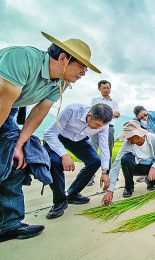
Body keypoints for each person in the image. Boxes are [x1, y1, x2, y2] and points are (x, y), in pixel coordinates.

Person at [0, 32, 100, 241]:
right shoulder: (22, 59)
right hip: (3, 102)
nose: (83, 73)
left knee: (18, 159)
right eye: (81, 67)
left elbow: (39, 112)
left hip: (8, 110)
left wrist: (19, 144)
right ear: (63, 58)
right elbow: (4, 99)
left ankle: (9, 224)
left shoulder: (60, 83)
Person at [43, 103, 112, 219]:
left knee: (94, 161)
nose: (99, 128)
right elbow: (50, 134)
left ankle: (72, 194)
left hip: (79, 139)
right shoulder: (72, 111)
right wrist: (64, 155)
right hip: (57, 137)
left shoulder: (103, 125)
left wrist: (105, 172)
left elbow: (104, 146)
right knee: (54, 162)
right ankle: (60, 201)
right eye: (97, 124)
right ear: (89, 116)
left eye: (102, 126)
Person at [102, 120, 155, 205]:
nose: (128, 139)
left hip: (150, 167)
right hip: (137, 167)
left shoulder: (153, 138)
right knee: (125, 159)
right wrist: (110, 190)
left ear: (138, 134)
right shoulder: (127, 144)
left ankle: (150, 182)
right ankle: (128, 188)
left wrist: (154, 167)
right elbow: (116, 164)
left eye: (130, 136)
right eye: (127, 137)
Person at [87, 80, 120, 186]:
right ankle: (89, 176)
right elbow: (94, 113)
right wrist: (111, 113)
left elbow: (117, 113)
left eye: (108, 88)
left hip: (109, 128)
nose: (106, 90)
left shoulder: (114, 101)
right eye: (104, 88)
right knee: (92, 151)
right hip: (95, 127)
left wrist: (104, 113)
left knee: (108, 152)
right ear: (99, 89)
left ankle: (107, 174)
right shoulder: (95, 100)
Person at [133, 105, 155, 183]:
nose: (144, 118)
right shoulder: (135, 121)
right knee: (147, 156)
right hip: (146, 139)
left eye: (145, 115)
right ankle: (146, 174)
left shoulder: (154, 115)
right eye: (141, 117)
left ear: (146, 111)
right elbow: (129, 126)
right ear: (137, 117)